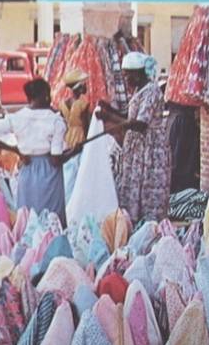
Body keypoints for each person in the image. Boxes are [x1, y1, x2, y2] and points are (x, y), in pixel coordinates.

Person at [96, 52, 171, 223]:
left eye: (128, 75)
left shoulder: (152, 92)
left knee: (148, 193)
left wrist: (110, 118)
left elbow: (140, 124)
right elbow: (128, 115)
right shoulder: (139, 90)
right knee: (133, 190)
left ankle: (150, 229)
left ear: (137, 74)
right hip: (137, 150)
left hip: (149, 150)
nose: (126, 79)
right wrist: (109, 110)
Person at [0, 78, 67, 226]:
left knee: (28, 218)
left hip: (27, 171)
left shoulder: (17, 117)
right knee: (51, 218)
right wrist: (75, 151)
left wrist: (15, 150)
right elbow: (56, 159)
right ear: (46, 96)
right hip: (49, 172)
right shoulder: (55, 120)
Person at [166, 101, 200, 192]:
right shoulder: (184, 119)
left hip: (183, 121)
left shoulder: (181, 118)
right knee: (180, 154)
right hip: (184, 121)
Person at [59, 69, 91, 149]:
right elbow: (85, 125)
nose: (86, 86)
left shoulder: (62, 104)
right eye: (84, 84)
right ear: (79, 87)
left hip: (67, 137)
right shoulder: (82, 104)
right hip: (80, 137)